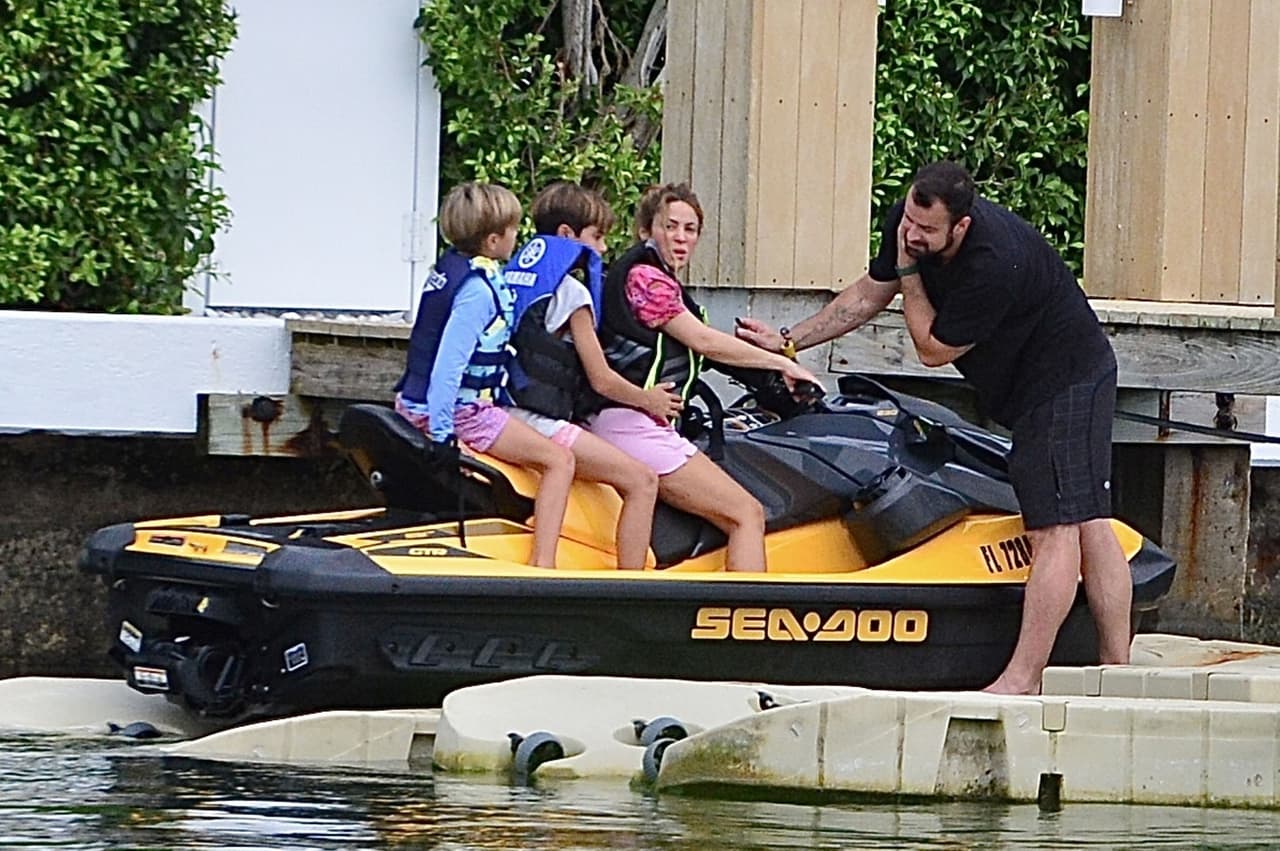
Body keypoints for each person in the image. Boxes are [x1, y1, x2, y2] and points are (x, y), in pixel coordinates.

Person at [736, 161, 1129, 691]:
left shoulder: (995, 262)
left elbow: (931, 349)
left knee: (1056, 527)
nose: (912, 235)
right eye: (909, 223)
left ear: (960, 227)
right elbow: (870, 293)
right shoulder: (909, 223)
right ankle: (1116, 669)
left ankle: (1024, 677)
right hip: (1030, 385)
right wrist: (786, 342)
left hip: (1066, 380)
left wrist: (910, 275)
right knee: (1085, 518)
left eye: (926, 231)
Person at [590, 182, 819, 573]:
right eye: (670, 226)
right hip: (629, 424)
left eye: (690, 229)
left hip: (635, 423)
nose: (680, 238)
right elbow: (702, 340)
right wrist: (784, 365)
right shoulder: (646, 279)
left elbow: (703, 351)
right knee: (746, 514)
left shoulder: (666, 284)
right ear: (647, 230)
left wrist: (772, 357)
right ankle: (747, 623)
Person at [393, 181, 574, 569]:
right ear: (493, 241)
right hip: (456, 411)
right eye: (512, 231)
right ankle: (544, 568)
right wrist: (442, 434)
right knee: (559, 461)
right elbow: (449, 367)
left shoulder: (449, 269)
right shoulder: (477, 291)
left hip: (414, 401)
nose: (516, 237)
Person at [503, 182, 675, 570]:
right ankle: (632, 588)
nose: (601, 249)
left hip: (503, 412)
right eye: (596, 237)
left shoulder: (512, 279)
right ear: (567, 235)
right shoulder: (571, 293)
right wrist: (649, 400)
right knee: (643, 481)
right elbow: (602, 380)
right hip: (536, 420)